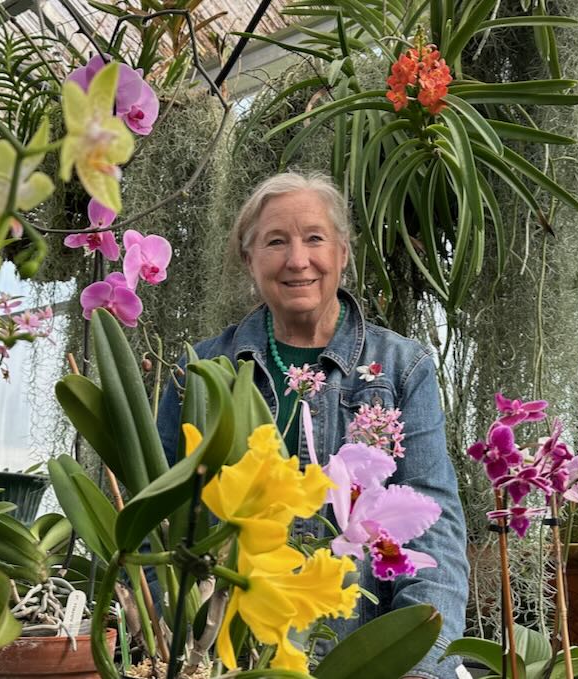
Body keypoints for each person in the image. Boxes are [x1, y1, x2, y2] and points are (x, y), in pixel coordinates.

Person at [157, 172, 469, 679]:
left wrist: (423, 667)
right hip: (232, 646)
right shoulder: (201, 372)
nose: (298, 260)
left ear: (343, 252)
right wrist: (177, 641)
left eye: (315, 238)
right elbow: (160, 522)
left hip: (360, 653)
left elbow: (436, 527)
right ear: (248, 259)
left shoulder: (399, 367)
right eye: (276, 241)